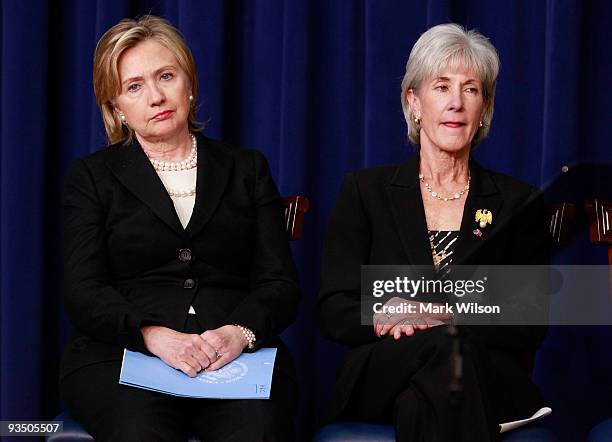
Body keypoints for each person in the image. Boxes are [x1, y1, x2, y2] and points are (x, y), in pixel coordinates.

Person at [60, 15, 299, 442]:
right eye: (134, 87)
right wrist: (152, 335)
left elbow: (279, 283)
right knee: (139, 432)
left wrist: (237, 333)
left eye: (166, 76)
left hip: (233, 357)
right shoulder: (91, 178)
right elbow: (84, 290)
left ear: (188, 83)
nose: (155, 96)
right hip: (123, 354)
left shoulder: (247, 169)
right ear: (117, 108)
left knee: (258, 431)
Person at [317, 23, 550, 442]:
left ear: (485, 108)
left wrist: (444, 314)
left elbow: (530, 320)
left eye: (471, 89)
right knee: (445, 350)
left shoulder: (519, 203)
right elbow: (334, 308)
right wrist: (383, 313)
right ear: (414, 101)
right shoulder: (365, 192)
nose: (456, 103)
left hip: (476, 375)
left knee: (423, 397)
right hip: (384, 372)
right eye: (441, 87)